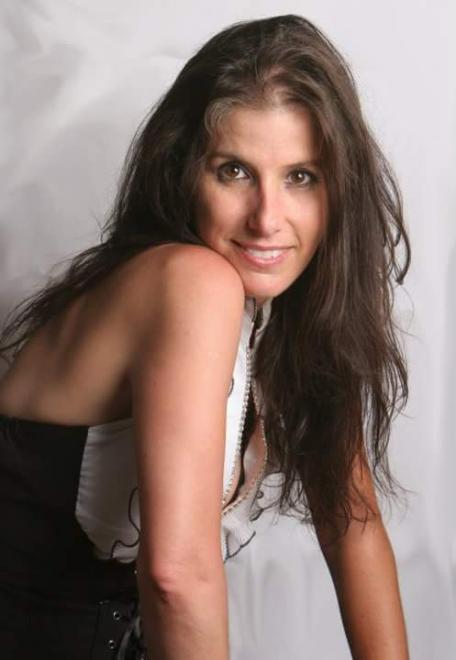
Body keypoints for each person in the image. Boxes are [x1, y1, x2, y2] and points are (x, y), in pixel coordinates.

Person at [0, 14, 410, 660]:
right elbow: (177, 578)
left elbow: (352, 523)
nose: (267, 219)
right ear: (184, 172)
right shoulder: (193, 283)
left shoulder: (287, 319)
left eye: (301, 176)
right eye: (234, 171)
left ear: (339, 191)